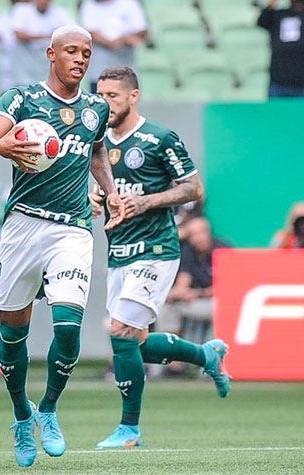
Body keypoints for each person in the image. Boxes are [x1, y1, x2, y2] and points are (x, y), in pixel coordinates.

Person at [0, 25, 125, 467]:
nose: (80, 59)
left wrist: (109, 190)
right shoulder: (20, 100)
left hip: (73, 229)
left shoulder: (97, 108)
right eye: (71, 52)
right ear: (51, 54)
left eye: (87, 53)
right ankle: (22, 413)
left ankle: (50, 410)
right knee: (13, 333)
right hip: (22, 227)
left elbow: (97, 153)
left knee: (68, 328)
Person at [89, 66, 229, 450]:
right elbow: (103, 186)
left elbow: (192, 188)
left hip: (156, 250)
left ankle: (129, 428)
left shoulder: (158, 138)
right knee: (133, 340)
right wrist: (96, 198)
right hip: (119, 251)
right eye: (99, 96)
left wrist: (146, 201)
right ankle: (206, 355)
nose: (104, 103)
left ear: (133, 96)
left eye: (112, 96)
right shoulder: (94, 140)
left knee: (119, 331)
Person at [159, 217, 228, 342]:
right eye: (194, 235)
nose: (199, 238)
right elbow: (183, 281)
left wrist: (198, 293)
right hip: (196, 301)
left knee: (220, 308)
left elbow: (229, 287)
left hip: (220, 302)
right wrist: (176, 295)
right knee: (167, 306)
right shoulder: (188, 251)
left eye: (202, 232)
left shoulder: (223, 249)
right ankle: (171, 354)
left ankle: (214, 355)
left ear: (209, 232)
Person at [257, 0, 304, 98]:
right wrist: (272, 3)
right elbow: (262, 21)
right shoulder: (278, 15)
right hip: (278, 81)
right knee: (275, 113)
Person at [79, 0, 147, 92]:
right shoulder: (88, 5)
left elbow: (141, 30)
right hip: (99, 71)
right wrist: (112, 42)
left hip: (126, 69)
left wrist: (126, 38)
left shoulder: (129, 3)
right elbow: (89, 31)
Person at [11, 0, 74, 87]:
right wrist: (48, 36)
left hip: (47, 63)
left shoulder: (60, 13)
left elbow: (72, 33)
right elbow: (18, 34)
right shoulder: (22, 10)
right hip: (26, 62)